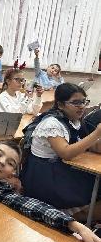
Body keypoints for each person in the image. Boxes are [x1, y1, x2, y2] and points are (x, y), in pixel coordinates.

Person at [20, 83, 101, 213]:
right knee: (94, 184)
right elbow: (66, 153)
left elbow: (86, 143)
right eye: (75, 102)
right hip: (44, 175)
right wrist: (96, 134)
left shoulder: (74, 120)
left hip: (58, 167)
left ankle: (84, 215)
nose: (82, 106)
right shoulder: (51, 123)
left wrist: (95, 140)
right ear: (60, 104)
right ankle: (77, 216)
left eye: (83, 102)